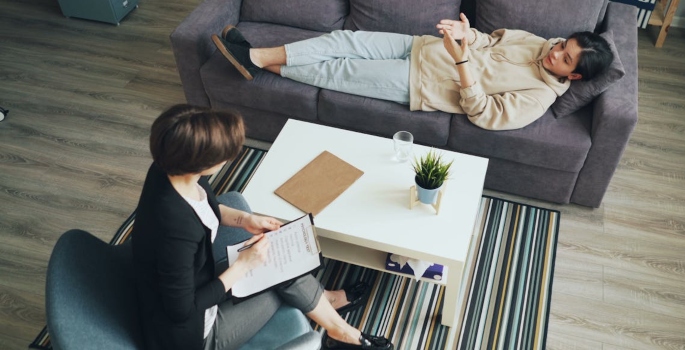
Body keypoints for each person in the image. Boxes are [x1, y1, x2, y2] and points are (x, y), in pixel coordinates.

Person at [131, 104, 393, 350]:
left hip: (201, 278)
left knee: (279, 258)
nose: (228, 161)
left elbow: (203, 208)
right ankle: (342, 331)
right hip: (193, 332)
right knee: (279, 270)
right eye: (223, 158)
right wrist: (244, 265)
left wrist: (246, 220)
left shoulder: (170, 168)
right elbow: (181, 310)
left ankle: (333, 314)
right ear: (199, 163)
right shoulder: (174, 229)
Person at [211, 13, 613, 131]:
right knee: (343, 40)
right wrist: (465, 35)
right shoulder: (538, 44)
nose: (556, 52)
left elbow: (485, 114)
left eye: (565, 58)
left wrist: (461, 62)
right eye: (563, 44)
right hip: (421, 45)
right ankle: (257, 57)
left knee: (341, 71)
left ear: (573, 76)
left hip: (420, 83)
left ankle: (253, 61)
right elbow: (489, 41)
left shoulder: (539, 98)